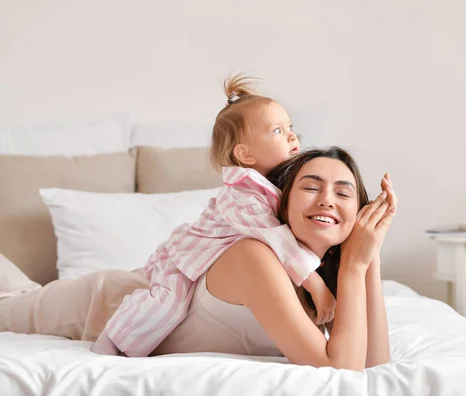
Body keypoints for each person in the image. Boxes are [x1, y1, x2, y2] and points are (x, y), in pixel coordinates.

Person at [0, 146, 396, 371]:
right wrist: (356, 264)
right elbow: (339, 372)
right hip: (108, 302)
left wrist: (368, 255)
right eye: (312, 187)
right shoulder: (254, 255)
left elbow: (374, 365)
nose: (327, 198)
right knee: (9, 305)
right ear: (283, 204)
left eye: (343, 194)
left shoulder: (328, 276)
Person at [93, 74, 335, 357]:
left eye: (290, 126)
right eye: (277, 131)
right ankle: (109, 346)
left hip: (219, 264)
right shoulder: (243, 192)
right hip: (185, 260)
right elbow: (277, 238)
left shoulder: (277, 184)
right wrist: (314, 283)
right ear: (245, 154)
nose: (293, 135)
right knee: (164, 307)